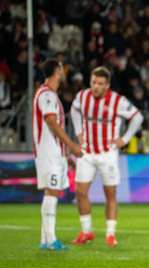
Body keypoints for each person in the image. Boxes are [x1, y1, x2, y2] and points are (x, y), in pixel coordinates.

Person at [70, 66, 144, 246]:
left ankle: (110, 234)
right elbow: (74, 109)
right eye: (93, 82)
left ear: (107, 85)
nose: (95, 86)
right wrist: (79, 132)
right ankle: (86, 231)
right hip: (87, 151)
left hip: (107, 153)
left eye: (100, 84)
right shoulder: (83, 96)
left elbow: (137, 117)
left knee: (110, 194)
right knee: (80, 191)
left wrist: (124, 139)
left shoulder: (117, 100)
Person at [33, 58, 83, 250]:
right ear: (58, 72)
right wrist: (72, 146)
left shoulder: (49, 94)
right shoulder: (47, 94)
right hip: (49, 152)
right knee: (52, 192)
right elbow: (52, 123)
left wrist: (66, 155)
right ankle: (50, 240)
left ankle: (46, 239)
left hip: (55, 152)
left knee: (51, 192)